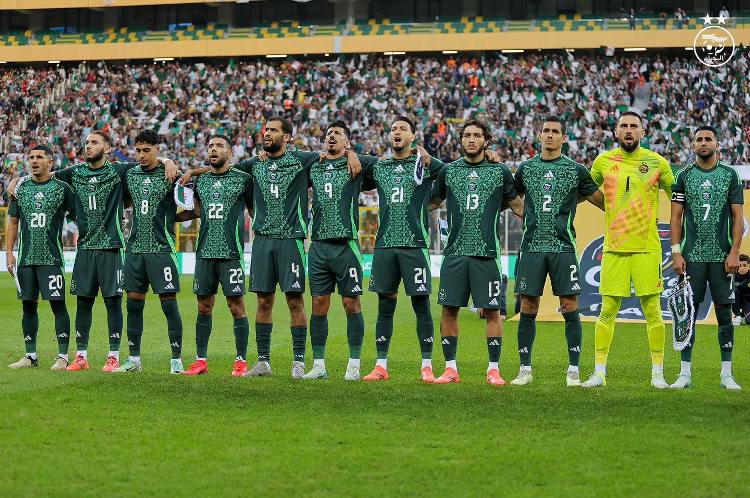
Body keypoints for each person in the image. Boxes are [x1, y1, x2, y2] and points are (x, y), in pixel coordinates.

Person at [8, 131, 178, 372]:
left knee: (113, 302)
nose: (88, 146)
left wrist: (167, 161)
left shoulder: (119, 171)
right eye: (87, 142)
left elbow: (147, 161)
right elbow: (45, 173)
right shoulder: (75, 172)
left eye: (94, 142)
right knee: (83, 302)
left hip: (111, 246)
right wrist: (18, 180)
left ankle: (113, 356)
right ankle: (81, 356)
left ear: (107, 148)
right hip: (85, 247)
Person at [581, 111, 674, 389]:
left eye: (634, 126)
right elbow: (585, 188)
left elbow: (678, 197)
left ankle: (657, 374)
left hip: (647, 248)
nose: (629, 130)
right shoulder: (603, 161)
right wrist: (607, 206)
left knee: (653, 311)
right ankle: (599, 373)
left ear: (643, 132)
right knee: (607, 310)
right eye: (624, 126)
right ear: (616, 132)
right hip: (614, 248)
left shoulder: (657, 162)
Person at [510, 116, 604, 387]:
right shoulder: (526, 168)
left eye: (555, 131)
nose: (549, 135)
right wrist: (525, 214)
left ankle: (573, 370)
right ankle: (525, 370)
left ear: (564, 138)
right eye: (545, 131)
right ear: (539, 136)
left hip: (563, 248)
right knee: (528, 306)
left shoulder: (576, 170)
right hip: (531, 248)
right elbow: (511, 197)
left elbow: (603, 203)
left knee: (570, 306)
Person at [430, 120, 524, 385]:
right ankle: (450, 369)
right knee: (449, 310)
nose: (471, 139)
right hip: (455, 253)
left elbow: (518, 207)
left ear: (486, 140)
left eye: (477, 135)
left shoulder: (499, 171)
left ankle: (493, 369)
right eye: (467, 135)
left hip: (486, 253)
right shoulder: (448, 171)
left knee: (493, 312)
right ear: (461, 140)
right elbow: (431, 203)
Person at [360, 116, 443, 382]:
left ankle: (427, 366)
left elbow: (452, 174)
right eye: (394, 128)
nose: (397, 132)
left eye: (403, 129)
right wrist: (349, 153)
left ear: (412, 137)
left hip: (414, 245)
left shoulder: (425, 163)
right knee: (385, 305)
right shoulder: (379, 165)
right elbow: (349, 160)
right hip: (384, 245)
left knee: (421, 304)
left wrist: (426, 155)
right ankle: (380, 365)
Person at [669, 125, 742, 390]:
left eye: (708, 139)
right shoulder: (683, 175)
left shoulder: (730, 175)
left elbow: (738, 217)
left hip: (722, 257)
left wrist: (734, 252)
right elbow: (675, 217)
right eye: (698, 139)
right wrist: (676, 252)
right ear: (693, 144)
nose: (703, 142)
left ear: (716, 144)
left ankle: (726, 374)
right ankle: (684, 374)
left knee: (724, 313)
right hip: (692, 257)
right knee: (687, 313)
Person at [303, 120, 375, 380]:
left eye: (338, 133)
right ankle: (319, 366)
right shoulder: (314, 164)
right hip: (319, 246)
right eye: (329, 133)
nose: (332, 136)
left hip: (346, 246)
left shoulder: (358, 164)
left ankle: (353, 365)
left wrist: (352, 154)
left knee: (351, 304)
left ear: (347, 141)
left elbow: (389, 162)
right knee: (318, 305)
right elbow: (283, 157)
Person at [180, 135, 253, 376]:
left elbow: (253, 210)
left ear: (230, 153)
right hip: (205, 253)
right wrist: (170, 218)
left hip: (231, 253)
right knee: (203, 307)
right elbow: (195, 210)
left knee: (236, 307)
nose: (213, 149)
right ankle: (201, 360)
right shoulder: (200, 182)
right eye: (210, 146)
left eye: (219, 146)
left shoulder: (243, 179)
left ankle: (241, 361)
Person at [117, 130, 184, 374]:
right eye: (138, 150)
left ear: (157, 149)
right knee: (133, 305)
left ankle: (176, 360)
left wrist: (168, 162)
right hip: (135, 249)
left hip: (161, 249)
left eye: (147, 150)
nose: (142, 155)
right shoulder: (130, 173)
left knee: (169, 306)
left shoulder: (172, 175)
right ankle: (134, 360)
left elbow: (194, 206)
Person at [6, 145, 76, 370]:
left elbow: (76, 218)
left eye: (39, 157)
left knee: (58, 304)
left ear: (50, 162)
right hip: (25, 259)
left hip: (51, 258)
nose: (34, 161)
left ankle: (63, 356)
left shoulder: (62, 188)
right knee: (28, 305)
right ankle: (30, 356)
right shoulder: (20, 188)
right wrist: (9, 253)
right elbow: (13, 222)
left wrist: (78, 235)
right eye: (31, 157)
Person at [732, 254, 750, 324]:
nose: (742, 268)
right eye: (740, 266)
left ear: (749, 265)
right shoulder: (732, 275)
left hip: (747, 301)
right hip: (735, 301)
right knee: (733, 289)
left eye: (744, 265)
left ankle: (743, 315)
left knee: (749, 321)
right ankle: (737, 315)